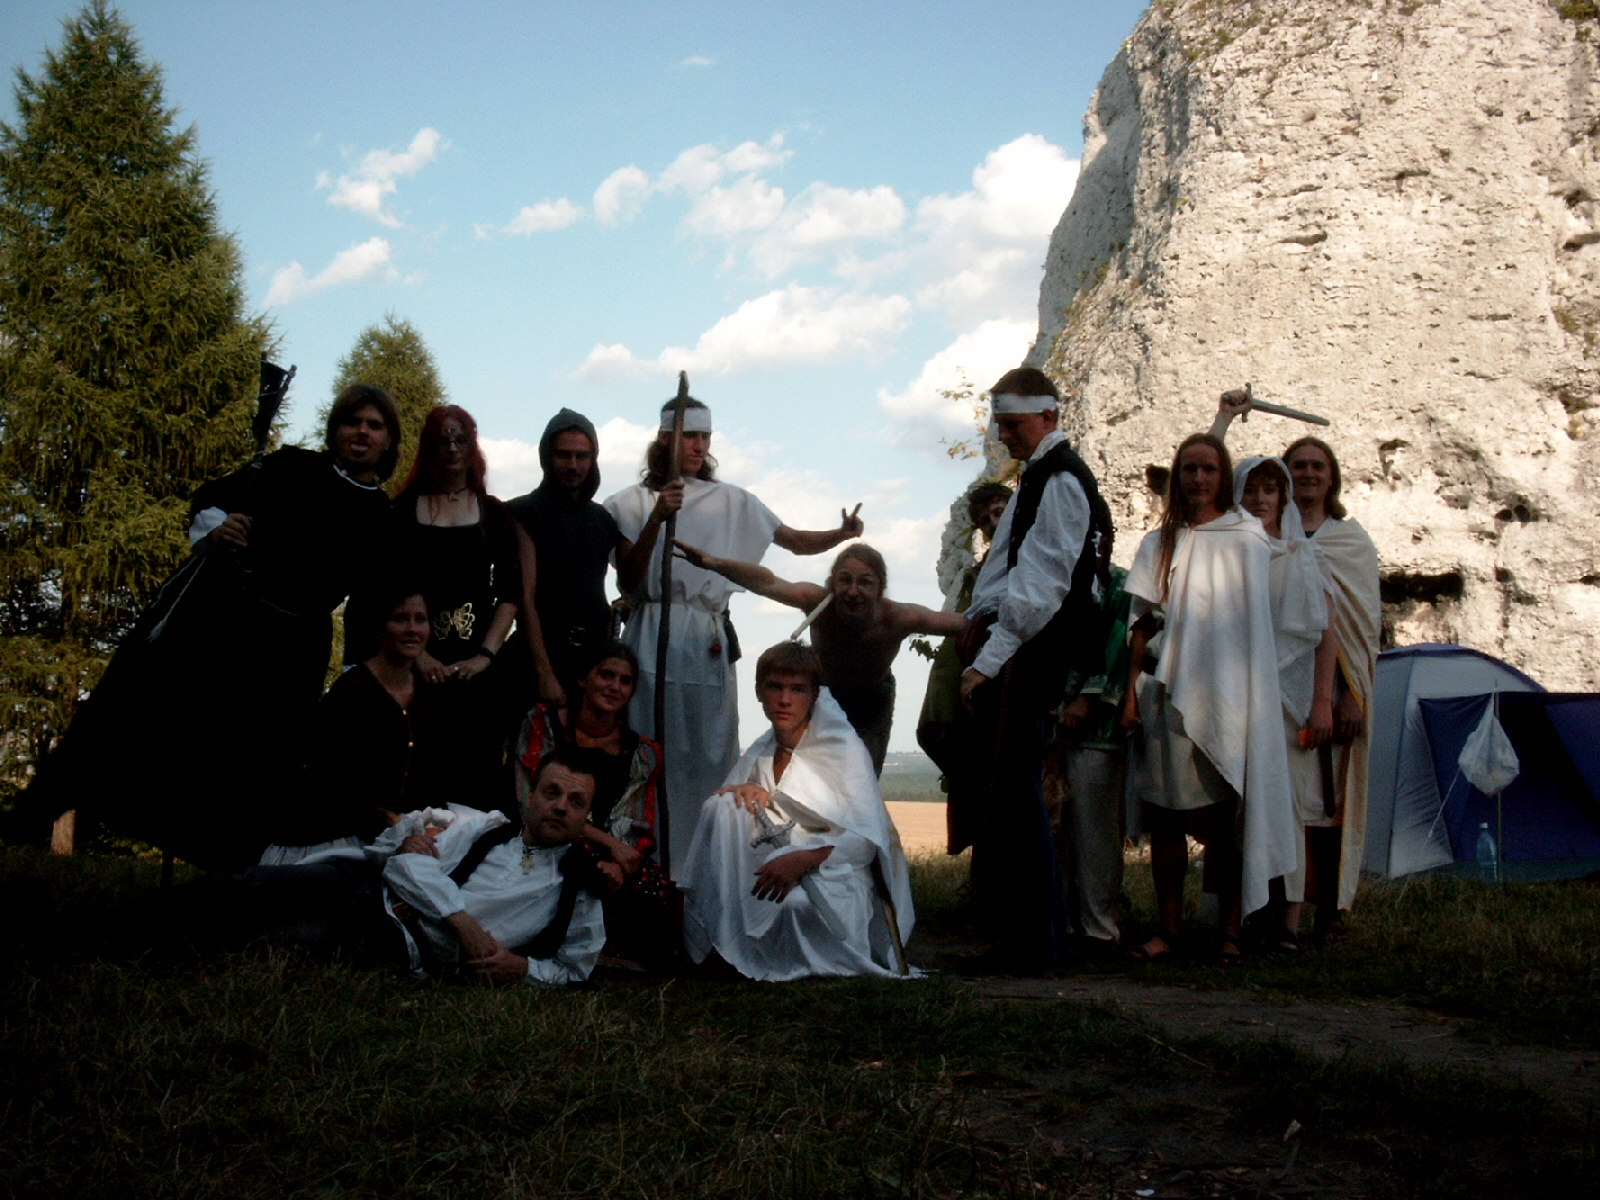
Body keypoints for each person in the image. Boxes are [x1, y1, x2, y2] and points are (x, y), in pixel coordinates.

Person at [22, 384, 400, 869]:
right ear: (336, 429)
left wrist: (359, 672)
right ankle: (46, 812)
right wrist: (221, 528)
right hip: (231, 623)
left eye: (374, 426)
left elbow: (369, 601)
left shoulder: (382, 515)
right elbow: (212, 497)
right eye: (352, 422)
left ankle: (230, 868)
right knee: (168, 726)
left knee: (258, 762)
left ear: (389, 440)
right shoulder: (289, 466)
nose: (361, 433)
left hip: (297, 648)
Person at [602, 394, 864, 872]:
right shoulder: (627, 503)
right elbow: (629, 579)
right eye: (689, 436)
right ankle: (646, 864)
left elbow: (792, 539)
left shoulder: (732, 501)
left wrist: (840, 534)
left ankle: (704, 867)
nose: (699, 446)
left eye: (705, 436)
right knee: (647, 745)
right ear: (664, 439)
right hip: (651, 631)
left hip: (705, 636)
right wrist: (657, 517)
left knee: (708, 751)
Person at [950, 367, 1114, 973]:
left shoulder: (1062, 480)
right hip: (1021, 648)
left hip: (1030, 653)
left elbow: (1042, 584)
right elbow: (1010, 570)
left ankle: (1035, 944)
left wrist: (989, 660)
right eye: (999, 425)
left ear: (1047, 416)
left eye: (1013, 424)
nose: (1004, 436)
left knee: (1019, 798)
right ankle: (1030, 938)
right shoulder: (1040, 479)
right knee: (1012, 795)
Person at [1121, 435, 1298, 965]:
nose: (1199, 479)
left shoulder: (1246, 537)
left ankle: (1230, 932)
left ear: (1223, 478)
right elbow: (1141, 623)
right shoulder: (1159, 542)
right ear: (1178, 477)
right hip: (1168, 693)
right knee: (1166, 820)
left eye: (1209, 469)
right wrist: (1129, 694)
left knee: (1228, 821)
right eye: (1189, 470)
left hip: (1231, 696)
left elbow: (1254, 625)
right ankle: (1169, 931)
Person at [1212, 395, 1382, 940]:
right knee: (1281, 801)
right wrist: (1223, 420)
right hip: (1268, 692)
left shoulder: (1350, 541)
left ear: (1332, 478)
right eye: (1300, 465)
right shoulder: (1254, 538)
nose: (1308, 474)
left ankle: (1328, 909)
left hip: (1332, 691)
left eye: (1318, 466)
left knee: (1329, 804)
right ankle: (1263, 913)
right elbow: (1211, 482)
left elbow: (1358, 629)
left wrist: (1346, 696)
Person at [678, 642, 915, 981]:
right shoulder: (764, 747)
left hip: (836, 870)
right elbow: (729, 816)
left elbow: (865, 843)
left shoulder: (843, 749)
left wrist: (804, 858)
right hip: (774, 862)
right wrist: (748, 791)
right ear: (759, 692)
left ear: (815, 696)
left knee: (796, 906)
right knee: (723, 807)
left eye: (797, 689)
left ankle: (791, 956)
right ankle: (721, 939)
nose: (785, 699)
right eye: (775, 687)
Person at [670, 540, 965, 774]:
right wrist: (714, 563)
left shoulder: (900, 618)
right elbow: (767, 582)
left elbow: (966, 625)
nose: (853, 591)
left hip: (871, 702)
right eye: (844, 580)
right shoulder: (817, 604)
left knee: (861, 781)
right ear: (831, 583)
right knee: (803, 776)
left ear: (880, 588)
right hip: (820, 696)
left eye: (865, 582)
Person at [359, 404, 525, 808]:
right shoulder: (403, 511)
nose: (452, 448)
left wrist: (485, 655)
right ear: (429, 447)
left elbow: (511, 593)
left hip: (477, 671)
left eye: (460, 439)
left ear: (472, 447)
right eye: (442, 440)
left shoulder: (494, 513)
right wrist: (420, 657)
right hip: (414, 667)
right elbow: (383, 590)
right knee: (418, 774)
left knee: (477, 776)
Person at [380, 751, 607, 985]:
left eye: (576, 802)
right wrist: (462, 923)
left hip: (431, 962)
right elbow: (404, 865)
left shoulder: (581, 882)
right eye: (552, 793)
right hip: (385, 916)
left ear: (586, 818)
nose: (561, 807)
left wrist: (524, 969)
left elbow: (574, 970)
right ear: (530, 797)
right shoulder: (485, 830)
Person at [259, 583, 447, 866]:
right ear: (379, 629)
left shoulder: (428, 694)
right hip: (337, 835)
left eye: (420, 619)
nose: (412, 629)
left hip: (404, 831)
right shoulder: (352, 694)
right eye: (400, 619)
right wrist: (394, 834)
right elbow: (336, 787)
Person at [513, 642, 674, 969]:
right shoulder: (546, 725)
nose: (615, 687)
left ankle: (612, 949)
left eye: (625, 681)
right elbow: (531, 802)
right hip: (546, 832)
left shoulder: (640, 752)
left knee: (650, 883)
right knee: (578, 865)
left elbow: (633, 818)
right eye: (606, 675)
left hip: (606, 848)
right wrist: (608, 844)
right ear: (583, 679)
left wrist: (619, 862)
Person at [504, 409, 625, 710]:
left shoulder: (602, 520)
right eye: (563, 455)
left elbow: (628, 580)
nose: (573, 465)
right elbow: (525, 598)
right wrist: (544, 672)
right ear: (547, 456)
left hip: (589, 662)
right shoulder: (523, 513)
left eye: (582, 456)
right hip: (538, 657)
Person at [1042, 564, 1132, 957]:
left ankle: (1100, 928)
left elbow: (1120, 644)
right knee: (1052, 827)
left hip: (1098, 729)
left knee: (1095, 830)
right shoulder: (1048, 577)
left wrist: (1088, 698)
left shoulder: (1120, 585)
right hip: (1047, 721)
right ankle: (1057, 922)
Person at [916, 481, 1012, 789]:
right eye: (984, 520)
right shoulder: (977, 574)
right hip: (960, 691)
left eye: (999, 512)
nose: (993, 524)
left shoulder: (1028, 563)